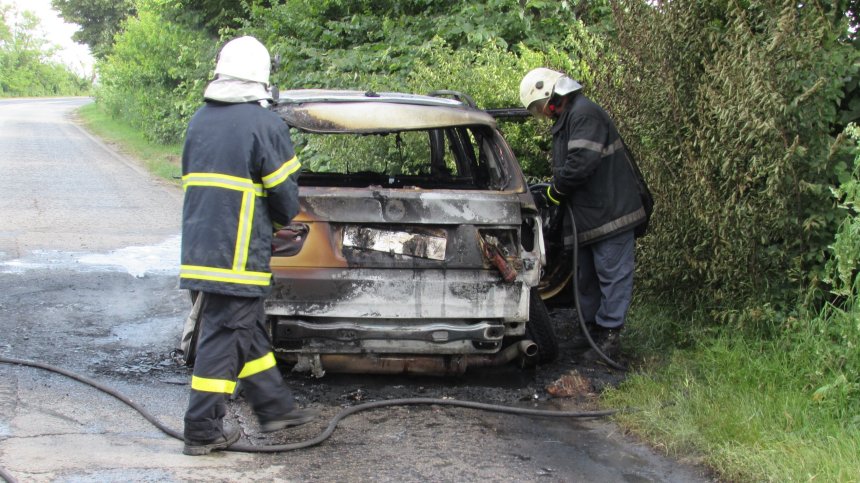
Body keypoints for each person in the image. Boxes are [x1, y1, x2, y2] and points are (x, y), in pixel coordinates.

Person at [179, 36, 317, 456]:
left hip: (202, 250)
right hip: (238, 257)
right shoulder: (265, 125)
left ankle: (275, 408)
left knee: (247, 329)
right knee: (224, 337)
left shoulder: (199, 121)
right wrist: (276, 224)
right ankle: (202, 428)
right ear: (262, 79)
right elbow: (285, 199)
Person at [519, 67, 648, 358]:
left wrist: (555, 192)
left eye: (540, 107)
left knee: (611, 276)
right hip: (590, 217)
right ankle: (590, 333)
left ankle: (609, 338)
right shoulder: (569, 118)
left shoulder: (584, 114)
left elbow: (580, 164)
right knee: (585, 277)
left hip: (611, 215)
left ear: (552, 96)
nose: (543, 113)